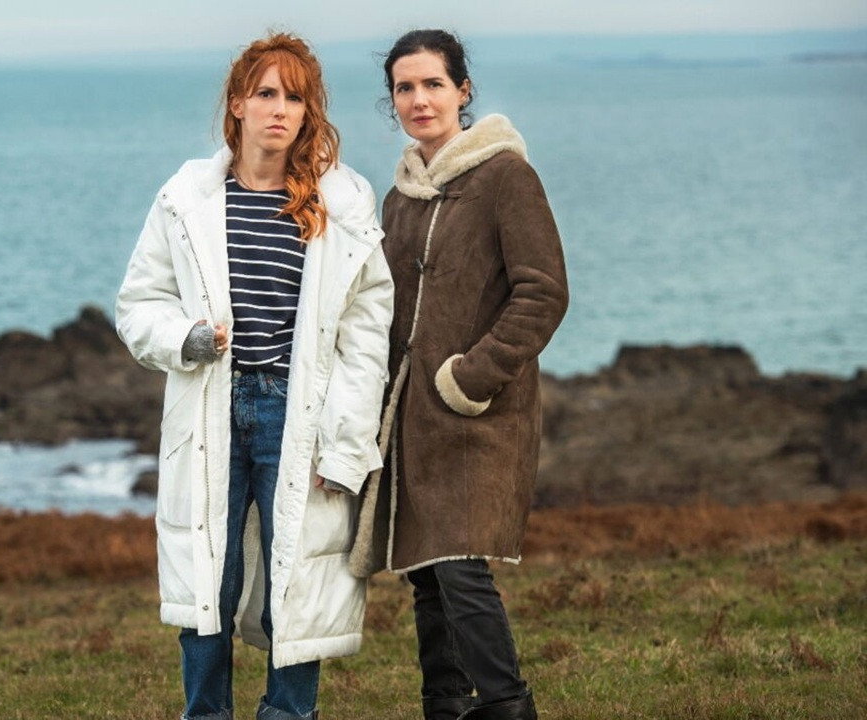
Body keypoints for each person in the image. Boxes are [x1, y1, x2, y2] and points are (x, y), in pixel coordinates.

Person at [115, 32, 393, 720]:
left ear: (308, 113)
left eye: (295, 98)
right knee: (206, 578)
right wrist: (185, 337)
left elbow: (365, 337)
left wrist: (347, 445)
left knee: (295, 578)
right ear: (237, 104)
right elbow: (139, 303)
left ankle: (288, 715)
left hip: (296, 412)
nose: (280, 110)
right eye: (267, 93)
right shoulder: (187, 197)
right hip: (209, 402)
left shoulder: (343, 203)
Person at [349, 29, 569, 720]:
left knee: (461, 566)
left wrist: (471, 378)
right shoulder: (399, 197)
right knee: (426, 571)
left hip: (479, 413)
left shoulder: (505, 177)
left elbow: (543, 293)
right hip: (410, 419)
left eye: (433, 85)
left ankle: (507, 705)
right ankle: (444, 706)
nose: (419, 100)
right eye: (404, 88)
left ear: (462, 90)